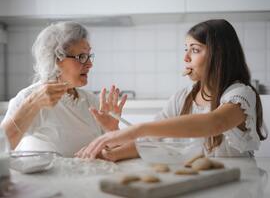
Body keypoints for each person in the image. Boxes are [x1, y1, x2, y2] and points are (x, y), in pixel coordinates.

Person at [76, 19, 267, 159]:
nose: (185, 58)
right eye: (186, 49)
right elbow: (153, 140)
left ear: (219, 55)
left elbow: (215, 122)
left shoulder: (241, 95)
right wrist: (113, 147)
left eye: (195, 49)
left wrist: (138, 129)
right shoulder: (182, 97)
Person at [0, 21, 128, 158]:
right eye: (82, 57)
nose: (90, 64)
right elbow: (2, 148)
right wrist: (32, 105)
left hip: (90, 179)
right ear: (56, 59)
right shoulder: (29, 97)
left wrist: (112, 130)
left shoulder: (91, 101)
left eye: (89, 56)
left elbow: (116, 152)